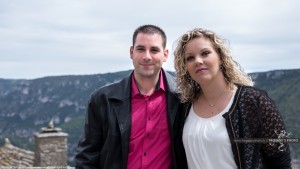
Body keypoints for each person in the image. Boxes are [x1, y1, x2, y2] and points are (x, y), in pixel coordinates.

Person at [173, 28, 291, 169]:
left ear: (221, 57)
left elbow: (281, 162)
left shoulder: (254, 102)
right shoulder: (184, 106)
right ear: (185, 67)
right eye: (190, 58)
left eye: (205, 53)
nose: (198, 61)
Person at [75, 24, 187, 169]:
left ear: (165, 55)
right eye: (141, 49)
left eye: (154, 50)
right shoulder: (102, 99)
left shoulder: (183, 97)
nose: (147, 57)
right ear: (131, 52)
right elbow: (87, 157)